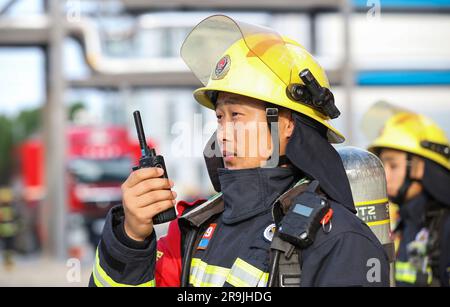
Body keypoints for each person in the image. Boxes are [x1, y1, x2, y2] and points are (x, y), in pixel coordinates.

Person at [90, 15, 389, 287]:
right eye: (220, 117)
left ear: (285, 124)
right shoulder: (194, 231)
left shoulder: (338, 240)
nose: (223, 132)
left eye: (237, 116)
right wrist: (130, 238)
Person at [368, 108, 450, 287]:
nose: (384, 175)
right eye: (382, 165)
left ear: (420, 167)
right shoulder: (401, 221)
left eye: (393, 165)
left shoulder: (445, 226)